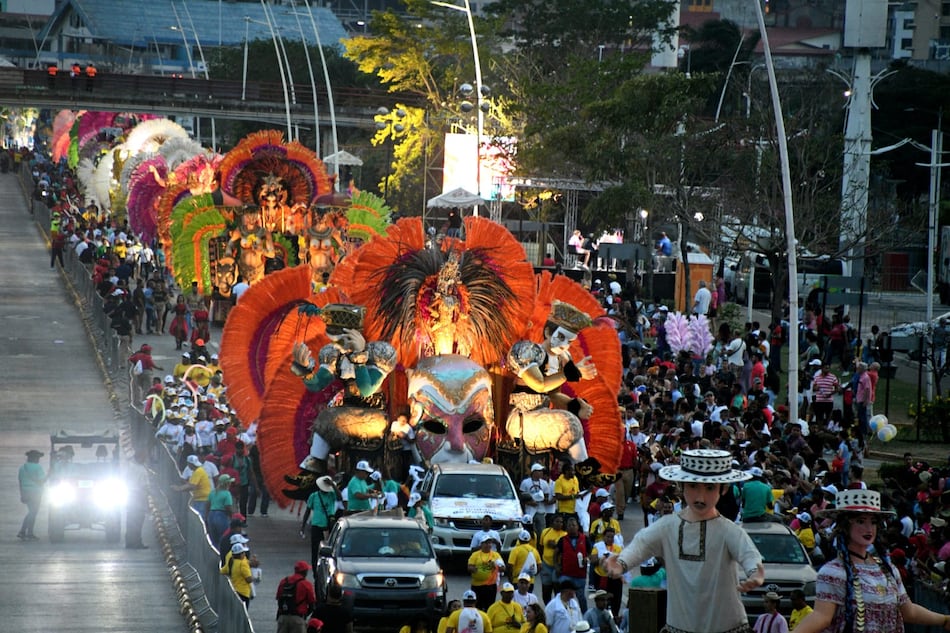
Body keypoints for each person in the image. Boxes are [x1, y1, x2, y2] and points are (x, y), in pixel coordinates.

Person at [603, 449, 765, 633]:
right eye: (693, 486)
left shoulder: (729, 531)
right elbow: (641, 544)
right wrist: (622, 563)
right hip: (679, 626)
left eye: (710, 488)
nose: (700, 496)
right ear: (681, 485)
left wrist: (755, 574)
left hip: (727, 627)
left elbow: (748, 554)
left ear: (724, 488)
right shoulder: (668, 526)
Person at [792, 489, 950, 633]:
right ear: (845, 526)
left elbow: (908, 611)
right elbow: (821, 616)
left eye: (873, 522)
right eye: (861, 521)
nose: (869, 528)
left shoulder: (888, 569)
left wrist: (944, 620)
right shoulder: (833, 572)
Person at [554, 515, 590, 612]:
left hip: (580, 575)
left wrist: (587, 558)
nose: (572, 527)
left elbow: (591, 553)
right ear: (566, 528)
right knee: (564, 596)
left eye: (574, 525)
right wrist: (557, 566)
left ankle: (585, 616)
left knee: (581, 597)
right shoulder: (562, 540)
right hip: (566, 574)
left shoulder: (584, 539)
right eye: (569, 525)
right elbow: (556, 553)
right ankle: (561, 612)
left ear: (578, 526)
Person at [302, 475, 338, 569]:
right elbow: (307, 511)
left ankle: (326, 567)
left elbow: (340, 497)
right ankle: (315, 569)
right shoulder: (314, 496)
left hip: (328, 526)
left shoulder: (332, 495)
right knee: (315, 549)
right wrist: (303, 526)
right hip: (316, 526)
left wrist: (333, 486)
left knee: (328, 550)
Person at [275, 561, 317, 633]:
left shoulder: (284, 581)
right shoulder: (306, 584)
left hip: (283, 618)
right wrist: (305, 616)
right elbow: (312, 603)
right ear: (305, 572)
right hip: (298, 619)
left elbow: (279, 598)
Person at [469, 535, 506, 611]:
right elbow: (469, 567)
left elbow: (503, 568)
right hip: (477, 585)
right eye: (486, 543)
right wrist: (474, 569)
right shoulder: (475, 555)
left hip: (490, 586)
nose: (488, 545)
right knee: (477, 607)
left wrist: (495, 566)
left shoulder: (496, 555)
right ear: (481, 544)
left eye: (489, 543)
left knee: (489, 607)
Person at [18, 449, 46, 540]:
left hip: (25, 491)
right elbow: (42, 481)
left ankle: (26, 532)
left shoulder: (22, 468)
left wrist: (22, 494)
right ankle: (26, 532)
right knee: (33, 512)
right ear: (35, 458)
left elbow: (20, 482)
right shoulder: (38, 467)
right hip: (36, 492)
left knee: (31, 512)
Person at [125, 450, 150, 549]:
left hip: (130, 496)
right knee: (138, 521)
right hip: (139, 496)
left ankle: (129, 542)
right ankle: (137, 542)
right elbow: (145, 487)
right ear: (140, 458)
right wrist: (147, 501)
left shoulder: (129, 467)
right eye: (144, 457)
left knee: (130, 520)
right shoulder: (142, 470)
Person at [207, 474, 234, 546]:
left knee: (213, 539)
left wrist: (206, 517)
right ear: (227, 483)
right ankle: (221, 555)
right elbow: (228, 507)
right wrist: (232, 517)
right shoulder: (227, 494)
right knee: (223, 538)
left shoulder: (212, 492)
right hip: (221, 515)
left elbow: (207, 505)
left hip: (211, 515)